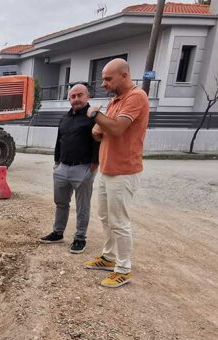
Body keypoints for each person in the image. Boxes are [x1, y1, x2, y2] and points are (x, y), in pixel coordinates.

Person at [85, 58, 149, 288]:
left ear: (124, 75)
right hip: (107, 169)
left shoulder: (136, 97)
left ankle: (123, 268)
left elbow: (117, 128)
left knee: (119, 221)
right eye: (103, 79)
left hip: (124, 171)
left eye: (108, 79)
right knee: (105, 216)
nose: (104, 84)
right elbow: (98, 133)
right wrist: (100, 124)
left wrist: (95, 115)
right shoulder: (114, 102)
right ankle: (109, 257)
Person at [40, 82, 100, 254]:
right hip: (62, 169)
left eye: (80, 95)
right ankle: (58, 233)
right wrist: (56, 163)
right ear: (69, 99)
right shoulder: (64, 119)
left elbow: (99, 144)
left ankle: (80, 238)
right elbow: (59, 142)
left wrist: (92, 169)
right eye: (73, 96)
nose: (76, 99)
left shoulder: (94, 118)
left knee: (82, 206)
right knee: (61, 203)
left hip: (83, 169)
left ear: (87, 96)